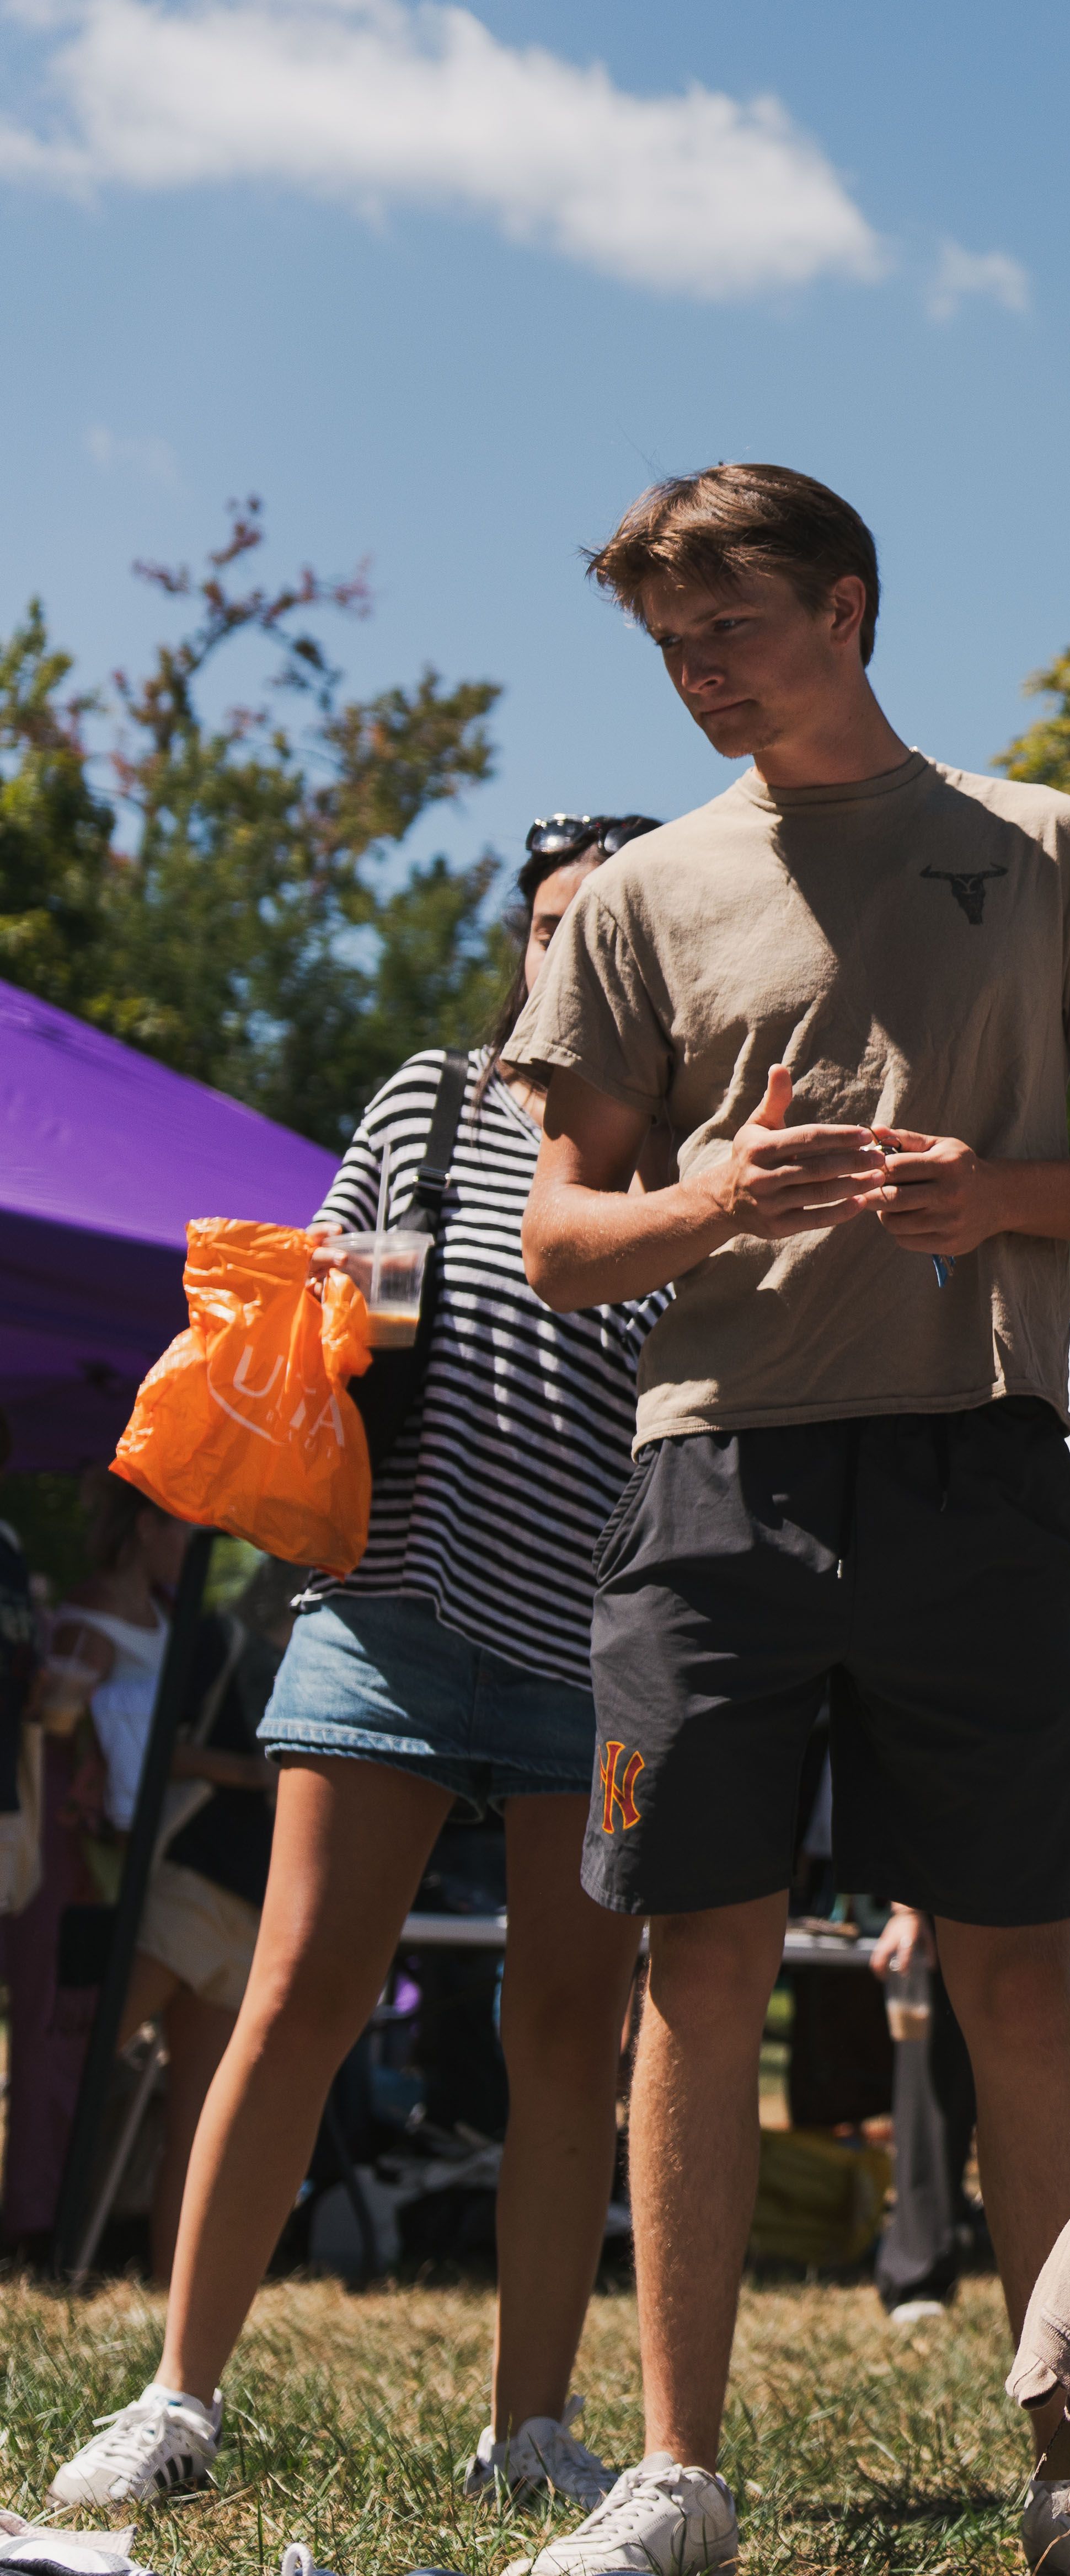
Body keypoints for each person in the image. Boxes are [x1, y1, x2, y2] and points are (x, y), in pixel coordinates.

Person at [516, 464, 1070, 2576]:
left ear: (849, 601)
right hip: (710, 1475)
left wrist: (1000, 1196)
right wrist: (712, 1198)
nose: (698, 676)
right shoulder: (638, 895)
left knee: (1013, 1969)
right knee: (695, 1959)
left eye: (726, 628)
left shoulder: (1048, 849)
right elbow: (558, 1243)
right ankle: (674, 2475)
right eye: (667, 647)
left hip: (980, 1461)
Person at [42, 816, 667, 2516]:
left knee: (564, 2026)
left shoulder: (697, 1145)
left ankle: (530, 2429)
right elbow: (353, 1289)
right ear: (523, 942)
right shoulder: (436, 1100)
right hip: (386, 1610)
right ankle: (177, 2398)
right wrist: (339, 1309)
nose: (573, 956)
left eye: (609, 928)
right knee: (301, 1988)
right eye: (552, 925)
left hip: (600, 1647)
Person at [3, 1479, 219, 2260]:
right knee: (53, 2033)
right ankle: (33, 2226)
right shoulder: (85, 1616)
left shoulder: (164, 1616)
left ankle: (64, 2216)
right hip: (73, 1846)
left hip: (123, 1854)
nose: (191, 1550)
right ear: (147, 1525)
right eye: (183, 1532)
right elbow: (54, 1729)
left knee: (81, 2036)